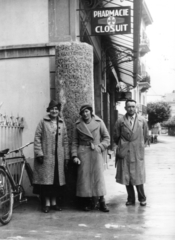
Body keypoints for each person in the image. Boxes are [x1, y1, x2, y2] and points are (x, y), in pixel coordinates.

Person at [71, 104, 110, 212]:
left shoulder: (99, 122)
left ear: (91, 112)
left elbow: (107, 138)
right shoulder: (78, 124)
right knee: (84, 178)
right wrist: (74, 156)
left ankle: (102, 201)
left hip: (95, 152)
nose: (85, 114)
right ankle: (87, 202)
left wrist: (99, 147)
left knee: (98, 177)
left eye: (87, 111)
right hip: (83, 153)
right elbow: (74, 142)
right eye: (83, 112)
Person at [33, 100, 70, 213]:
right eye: (52, 109)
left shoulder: (62, 123)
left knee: (56, 182)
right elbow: (37, 138)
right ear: (49, 110)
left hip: (58, 158)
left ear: (59, 111)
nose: (54, 111)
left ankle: (54, 203)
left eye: (56, 109)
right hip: (46, 157)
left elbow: (65, 141)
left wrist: (66, 157)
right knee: (46, 183)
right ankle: (46, 203)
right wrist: (39, 153)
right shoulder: (43, 122)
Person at [113, 99, 148, 207]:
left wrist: (140, 146)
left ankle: (142, 198)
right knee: (126, 176)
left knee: (138, 176)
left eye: (133, 106)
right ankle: (130, 199)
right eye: (129, 107)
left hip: (137, 151)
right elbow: (116, 136)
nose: (131, 109)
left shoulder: (142, 120)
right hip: (125, 151)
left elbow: (146, 136)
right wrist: (121, 147)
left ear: (136, 107)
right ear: (125, 108)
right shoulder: (120, 121)